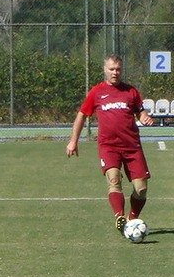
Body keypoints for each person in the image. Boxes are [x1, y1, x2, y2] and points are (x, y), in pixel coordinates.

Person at [66, 54, 154, 234]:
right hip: (108, 146)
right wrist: (73, 141)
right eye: (111, 69)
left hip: (132, 146)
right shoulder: (96, 92)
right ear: (104, 70)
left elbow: (140, 111)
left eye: (118, 69)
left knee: (141, 188)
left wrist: (144, 117)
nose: (115, 73)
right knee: (114, 179)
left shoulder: (131, 91)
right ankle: (119, 217)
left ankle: (131, 218)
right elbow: (82, 115)